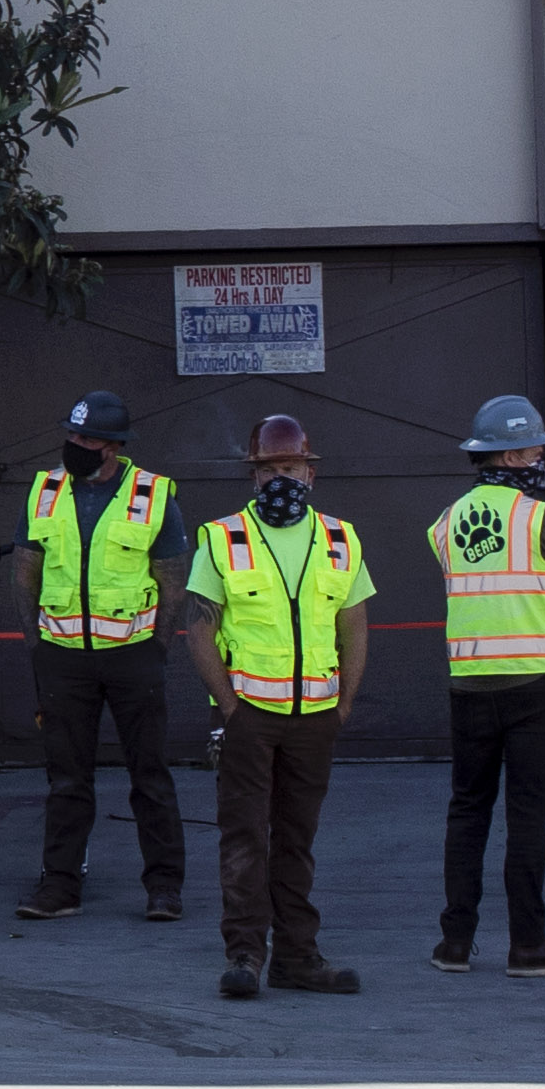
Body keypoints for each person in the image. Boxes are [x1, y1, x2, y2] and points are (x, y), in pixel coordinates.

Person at [176, 408, 369, 998]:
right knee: (243, 838)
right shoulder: (222, 538)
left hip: (315, 717)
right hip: (250, 717)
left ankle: (297, 958)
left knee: (296, 838)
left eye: (292, 466)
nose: (282, 476)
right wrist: (230, 707)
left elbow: (355, 625)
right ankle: (244, 957)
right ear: (253, 476)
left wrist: (343, 705)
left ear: (311, 472)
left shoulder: (340, 537)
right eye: (270, 468)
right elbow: (199, 630)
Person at [11, 390, 185, 923]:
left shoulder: (153, 496)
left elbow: (174, 581)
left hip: (134, 657)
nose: (74, 446)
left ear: (112, 447)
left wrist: (155, 647)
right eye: (72, 436)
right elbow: (24, 571)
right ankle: (59, 886)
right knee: (65, 779)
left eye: (85, 439)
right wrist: (38, 645)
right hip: (62, 658)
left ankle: (164, 888)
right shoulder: (45, 491)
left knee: (149, 775)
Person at [427, 395, 545, 976]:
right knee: (526, 818)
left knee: (467, 812)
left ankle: (455, 943)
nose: (542, 455)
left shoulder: (444, 523)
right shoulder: (543, 518)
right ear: (516, 453)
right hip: (533, 687)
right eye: (537, 447)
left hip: (469, 685)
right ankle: (528, 944)